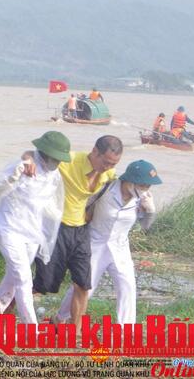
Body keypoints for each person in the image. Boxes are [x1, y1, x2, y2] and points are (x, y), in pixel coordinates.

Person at [0, 131, 69, 332]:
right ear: (44, 153)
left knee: (14, 276)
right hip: (8, 227)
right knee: (24, 277)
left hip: (32, 232)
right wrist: (13, 176)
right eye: (54, 158)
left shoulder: (53, 175)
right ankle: (32, 328)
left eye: (59, 160)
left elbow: (50, 205)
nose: (57, 163)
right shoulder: (20, 166)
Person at [55, 160, 160, 325]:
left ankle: (126, 330)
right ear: (130, 181)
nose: (146, 190)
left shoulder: (141, 199)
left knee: (127, 287)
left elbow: (145, 227)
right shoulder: (105, 188)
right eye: (143, 185)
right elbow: (82, 208)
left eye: (148, 186)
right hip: (95, 243)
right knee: (85, 288)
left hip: (120, 247)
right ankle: (62, 317)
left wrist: (150, 211)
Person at [33, 135, 122, 328]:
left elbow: (108, 189)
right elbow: (38, 156)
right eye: (106, 161)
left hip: (81, 231)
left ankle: (75, 329)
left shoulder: (109, 173)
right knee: (42, 284)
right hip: (58, 228)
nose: (108, 167)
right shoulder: (70, 160)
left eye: (113, 163)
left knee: (83, 284)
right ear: (95, 152)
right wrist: (26, 160)